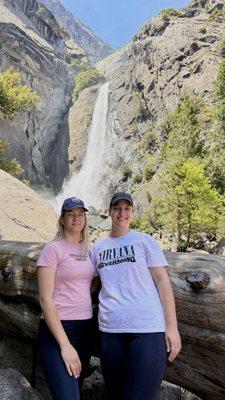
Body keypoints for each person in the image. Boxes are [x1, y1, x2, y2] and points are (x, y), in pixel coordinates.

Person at [92, 192, 181, 400]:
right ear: (109, 212)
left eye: (127, 208)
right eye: (117, 208)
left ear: (132, 212)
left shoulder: (144, 241)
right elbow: (90, 281)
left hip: (147, 329)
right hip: (110, 330)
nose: (122, 213)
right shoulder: (97, 248)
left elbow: (162, 282)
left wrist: (172, 327)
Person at [37, 197, 96, 400]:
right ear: (62, 219)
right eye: (71, 214)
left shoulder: (88, 251)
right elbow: (45, 299)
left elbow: (92, 282)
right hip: (57, 330)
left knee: (75, 391)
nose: (76, 218)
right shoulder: (52, 249)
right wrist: (65, 344)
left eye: (80, 214)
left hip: (84, 329)